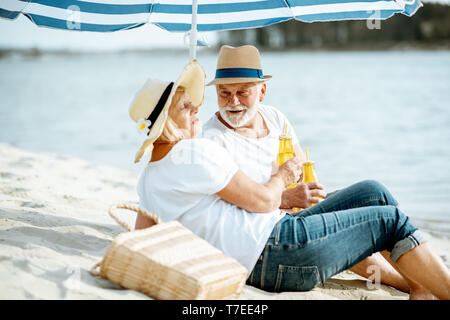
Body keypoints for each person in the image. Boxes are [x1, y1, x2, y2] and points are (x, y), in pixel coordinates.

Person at [130, 60, 450, 300]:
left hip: (269, 244)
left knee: (372, 191)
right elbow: (263, 201)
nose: (197, 110)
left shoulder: (149, 176)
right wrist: (281, 177)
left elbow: (140, 239)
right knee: (389, 221)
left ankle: (421, 288)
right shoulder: (194, 154)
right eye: (186, 107)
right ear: (165, 124)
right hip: (276, 252)